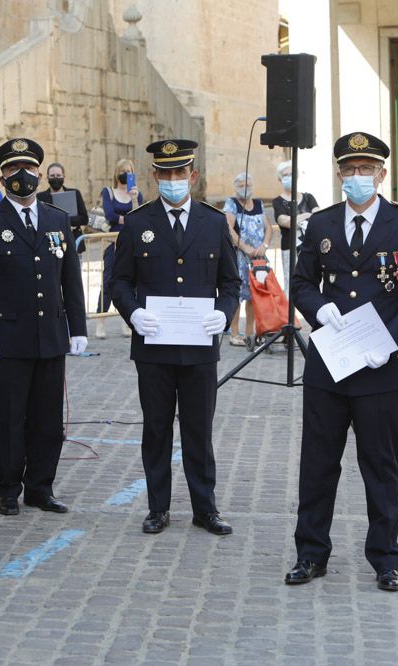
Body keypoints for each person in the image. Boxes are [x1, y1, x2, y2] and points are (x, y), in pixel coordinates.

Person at [285, 132, 398, 590]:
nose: (357, 177)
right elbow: (301, 282)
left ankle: (386, 558)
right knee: (317, 463)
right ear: (338, 174)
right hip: (330, 365)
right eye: (349, 170)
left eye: (365, 169)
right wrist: (317, 309)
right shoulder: (322, 224)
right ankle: (311, 554)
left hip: (381, 367)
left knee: (380, 464)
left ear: (381, 174)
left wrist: (391, 340)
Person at [110, 138, 240, 536]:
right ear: (155, 176)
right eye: (164, 173)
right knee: (157, 429)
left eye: (179, 173)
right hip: (154, 346)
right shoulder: (137, 223)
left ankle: (205, 508)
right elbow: (119, 281)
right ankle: (158, 508)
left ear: (192, 176)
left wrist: (224, 313)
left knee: (199, 430)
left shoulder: (213, 222)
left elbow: (231, 282)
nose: (172, 180)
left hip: (199, 347)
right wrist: (134, 314)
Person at [0, 138, 88, 516]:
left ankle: (41, 486)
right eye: (13, 169)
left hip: (50, 336)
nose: (22, 175)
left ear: (39, 171)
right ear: (2, 176)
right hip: (6, 340)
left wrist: (78, 327)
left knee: (48, 421)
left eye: (29, 168)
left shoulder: (56, 219)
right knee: (9, 418)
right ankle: (7, 488)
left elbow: (71, 278)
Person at [224, 172, 272, 347]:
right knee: (237, 294)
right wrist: (245, 247)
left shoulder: (258, 204)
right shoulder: (232, 203)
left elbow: (268, 228)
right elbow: (228, 228)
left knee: (254, 294)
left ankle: (250, 332)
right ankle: (235, 333)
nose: (245, 188)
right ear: (236, 187)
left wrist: (264, 246)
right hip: (239, 256)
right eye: (241, 185)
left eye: (248, 185)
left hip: (258, 258)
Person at [96, 159, 143, 338]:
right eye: (122, 170)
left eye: (129, 171)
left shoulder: (136, 195)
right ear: (117, 173)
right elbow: (110, 215)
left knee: (132, 283)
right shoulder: (108, 192)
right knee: (107, 281)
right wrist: (127, 218)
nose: (125, 173)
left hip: (131, 242)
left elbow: (138, 215)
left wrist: (133, 199)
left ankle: (127, 321)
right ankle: (101, 321)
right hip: (111, 242)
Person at [272, 160, 319, 289]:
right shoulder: (278, 202)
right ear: (280, 179)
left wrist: (295, 219)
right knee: (291, 284)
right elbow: (285, 222)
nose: (289, 177)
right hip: (290, 248)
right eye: (285, 175)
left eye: (291, 174)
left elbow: (318, 217)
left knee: (314, 281)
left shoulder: (308, 197)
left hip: (310, 246)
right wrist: (306, 215)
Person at [38, 161, 89, 253]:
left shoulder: (75, 193)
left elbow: (84, 218)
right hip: (51, 244)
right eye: (52, 176)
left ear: (64, 177)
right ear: (47, 177)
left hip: (74, 242)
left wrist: (62, 220)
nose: (56, 178)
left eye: (58, 175)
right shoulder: (40, 197)